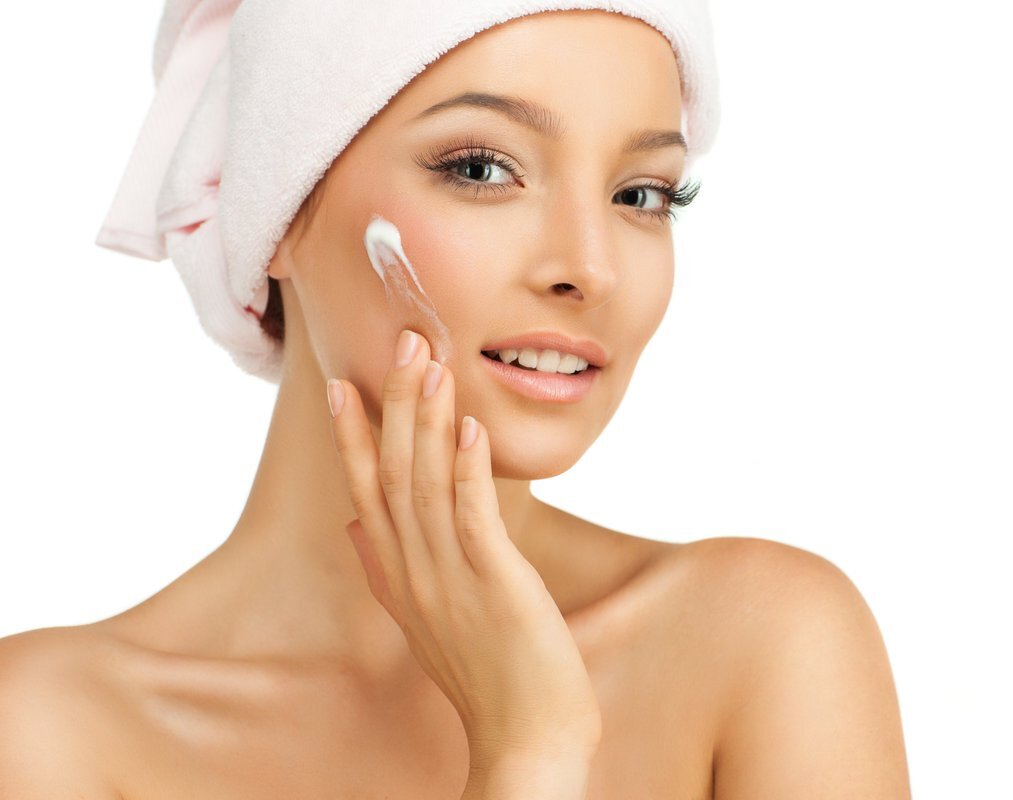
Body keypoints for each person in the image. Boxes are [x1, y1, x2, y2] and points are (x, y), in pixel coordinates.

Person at [0, 4, 910, 798]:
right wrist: (529, 752)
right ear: (272, 208)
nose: (589, 268)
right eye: (481, 169)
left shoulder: (762, 648)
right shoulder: (46, 731)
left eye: (641, 194)